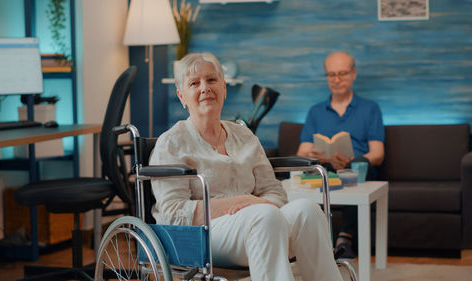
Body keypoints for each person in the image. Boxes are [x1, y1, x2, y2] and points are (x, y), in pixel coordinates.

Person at [150, 52, 343, 281]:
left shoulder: (244, 135)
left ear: (224, 88)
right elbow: (173, 215)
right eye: (194, 83)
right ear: (182, 96)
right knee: (265, 215)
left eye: (212, 80)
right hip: (201, 237)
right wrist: (241, 204)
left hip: (259, 222)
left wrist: (257, 203)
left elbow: (274, 191)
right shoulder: (172, 143)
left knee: (307, 210)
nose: (205, 88)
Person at [296, 51, 385, 259]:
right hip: (325, 169)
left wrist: (352, 161)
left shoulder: (370, 108)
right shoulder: (315, 111)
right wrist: (321, 156)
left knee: (356, 168)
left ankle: (344, 239)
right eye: (331, 74)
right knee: (313, 171)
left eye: (342, 73)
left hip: (357, 169)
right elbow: (302, 152)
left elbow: (378, 154)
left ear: (353, 73)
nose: (337, 80)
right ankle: (311, 240)